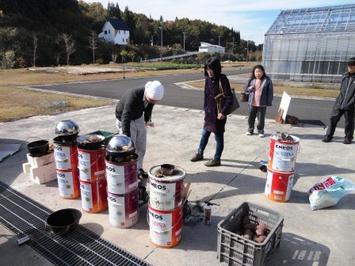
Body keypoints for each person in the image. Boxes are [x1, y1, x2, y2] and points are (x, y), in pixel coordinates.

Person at [115, 80, 164, 176]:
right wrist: (127, 138)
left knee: (141, 146)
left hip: (138, 117)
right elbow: (126, 116)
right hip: (124, 119)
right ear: (147, 93)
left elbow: (149, 107)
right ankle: (129, 172)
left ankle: (139, 168)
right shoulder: (134, 94)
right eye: (151, 100)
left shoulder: (151, 96)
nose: (152, 102)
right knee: (130, 148)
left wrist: (146, 121)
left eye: (154, 101)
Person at [190, 57, 233, 167]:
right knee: (204, 134)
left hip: (219, 114)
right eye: (207, 69)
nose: (209, 71)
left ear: (216, 69)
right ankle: (200, 153)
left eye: (211, 69)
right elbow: (206, 95)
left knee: (218, 138)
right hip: (209, 114)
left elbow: (229, 98)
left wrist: (223, 113)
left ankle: (217, 159)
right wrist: (205, 109)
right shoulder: (207, 79)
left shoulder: (222, 79)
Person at [323, 57, 355, 144]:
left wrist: (352, 102)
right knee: (332, 118)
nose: (350, 66)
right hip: (339, 102)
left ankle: (348, 138)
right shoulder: (344, 76)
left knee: (349, 122)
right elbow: (341, 89)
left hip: (350, 104)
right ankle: (328, 136)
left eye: (352, 65)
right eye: (349, 65)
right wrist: (338, 100)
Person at [244, 65, 273, 137]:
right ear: (254, 72)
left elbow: (270, 92)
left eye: (260, 71)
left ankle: (260, 131)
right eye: (256, 71)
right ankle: (250, 130)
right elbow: (246, 89)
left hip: (262, 103)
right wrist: (250, 88)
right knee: (251, 117)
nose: (258, 73)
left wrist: (268, 102)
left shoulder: (267, 80)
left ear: (263, 72)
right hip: (252, 102)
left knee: (261, 119)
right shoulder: (251, 80)